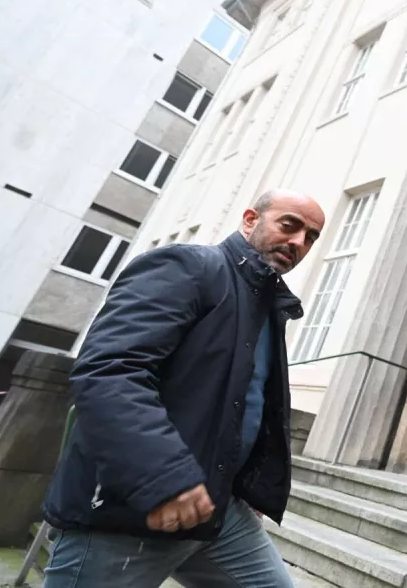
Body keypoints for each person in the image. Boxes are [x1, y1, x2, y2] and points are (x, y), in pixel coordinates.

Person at [41, 190, 326, 587]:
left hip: (217, 510)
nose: (299, 242)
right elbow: (110, 371)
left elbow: (239, 399)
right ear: (249, 220)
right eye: (289, 225)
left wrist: (245, 482)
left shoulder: (266, 303)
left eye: (311, 236)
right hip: (129, 510)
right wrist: (164, 477)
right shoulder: (188, 267)